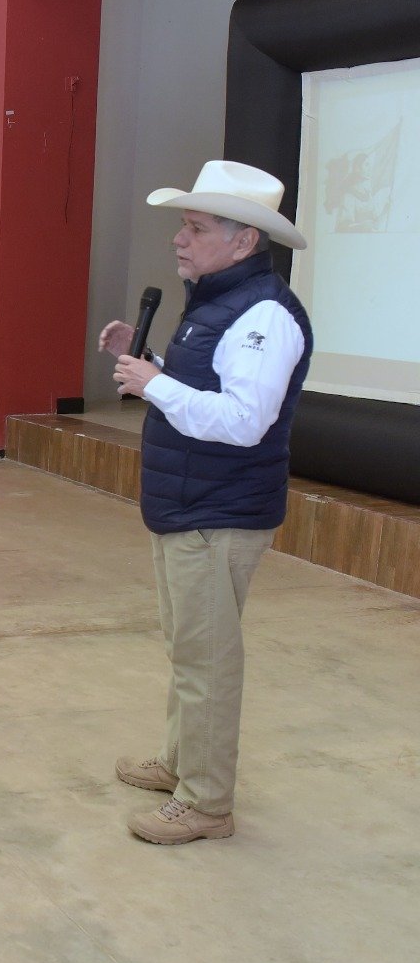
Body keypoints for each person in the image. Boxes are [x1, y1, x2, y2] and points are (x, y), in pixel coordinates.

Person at [101, 160, 312, 845]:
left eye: (195, 228)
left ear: (244, 240)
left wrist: (153, 383)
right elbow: (206, 390)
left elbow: (244, 420)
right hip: (189, 506)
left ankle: (207, 803)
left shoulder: (264, 315)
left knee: (209, 660)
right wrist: (153, 363)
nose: (179, 239)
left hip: (218, 513)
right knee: (190, 649)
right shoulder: (220, 303)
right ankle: (182, 762)